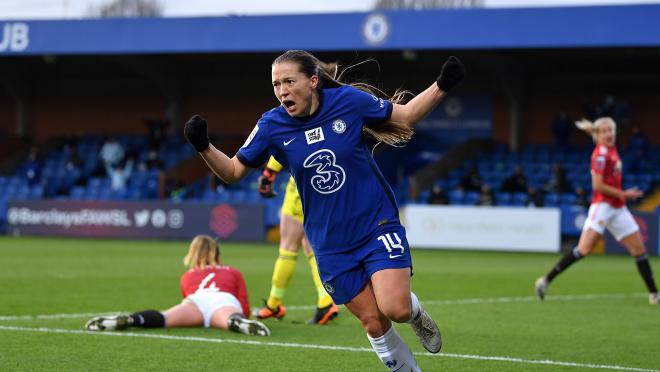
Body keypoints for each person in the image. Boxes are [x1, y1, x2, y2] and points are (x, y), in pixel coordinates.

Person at [184, 50, 465, 371]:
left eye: (289, 81)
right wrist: (204, 146)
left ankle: (415, 314)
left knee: (395, 308)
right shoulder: (272, 124)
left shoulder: (348, 101)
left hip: (376, 223)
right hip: (330, 242)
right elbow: (234, 171)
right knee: (373, 322)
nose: (282, 91)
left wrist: (442, 84)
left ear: (313, 81)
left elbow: (406, 117)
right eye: (276, 84)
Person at [535, 118, 658, 305]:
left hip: (617, 208)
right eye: (604, 131)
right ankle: (545, 280)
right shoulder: (600, 155)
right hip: (603, 207)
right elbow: (597, 185)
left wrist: (620, 197)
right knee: (584, 249)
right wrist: (623, 193)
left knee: (639, 249)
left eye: (611, 130)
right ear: (597, 135)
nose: (609, 134)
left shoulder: (612, 149)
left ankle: (654, 294)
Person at [85, 235, 270, 336]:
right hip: (223, 301)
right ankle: (238, 323)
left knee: (165, 317)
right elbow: (244, 306)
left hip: (196, 301)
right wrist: (242, 314)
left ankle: (132, 319)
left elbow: (187, 297)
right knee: (230, 319)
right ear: (217, 253)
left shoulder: (187, 276)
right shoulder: (232, 271)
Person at [254, 156, 339, 324]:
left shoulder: (296, 127)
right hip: (325, 185)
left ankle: (274, 304)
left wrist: (269, 172)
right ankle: (325, 301)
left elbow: (285, 139)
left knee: (288, 246)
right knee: (310, 246)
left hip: (301, 186)